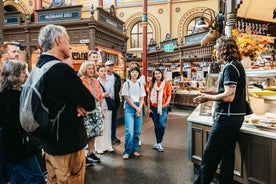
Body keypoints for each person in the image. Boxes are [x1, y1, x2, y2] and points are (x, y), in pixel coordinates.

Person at [36, 24, 95, 183]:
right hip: (67, 143)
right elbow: (89, 102)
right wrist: (79, 103)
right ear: (58, 40)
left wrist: (75, 102)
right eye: (68, 41)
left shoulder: (38, 66)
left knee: (52, 180)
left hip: (48, 142)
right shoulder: (60, 70)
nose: (70, 45)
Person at [193, 37, 246, 184]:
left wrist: (207, 97)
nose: (215, 50)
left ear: (223, 49)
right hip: (235, 118)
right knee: (227, 155)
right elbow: (225, 91)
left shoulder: (230, 67)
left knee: (210, 155)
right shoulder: (236, 65)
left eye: (217, 47)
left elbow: (229, 96)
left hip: (226, 119)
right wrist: (207, 94)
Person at [0, 60, 45, 184]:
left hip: (9, 145)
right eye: (23, 72)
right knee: (37, 178)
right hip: (19, 146)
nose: (26, 74)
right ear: (15, 75)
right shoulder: (14, 96)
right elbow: (18, 123)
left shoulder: (4, 93)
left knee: (17, 176)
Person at [78, 61, 103, 164]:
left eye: (92, 68)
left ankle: (91, 153)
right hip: (85, 109)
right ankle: (83, 157)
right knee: (85, 133)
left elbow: (100, 96)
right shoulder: (80, 81)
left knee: (94, 132)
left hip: (96, 108)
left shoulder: (96, 81)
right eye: (89, 68)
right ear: (84, 69)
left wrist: (101, 109)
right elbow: (78, 97)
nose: (91, 70)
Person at [121, 66, 146, 159]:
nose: (134, 73)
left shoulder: (140, 84)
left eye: (136, 72)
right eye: (132, 72)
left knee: (137, 131)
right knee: (129, 131)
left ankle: (135, 150)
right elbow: (126, 98)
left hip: (138, 107)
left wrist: (139, 108)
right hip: (129, 107)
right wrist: (136, 108)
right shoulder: (126, 84)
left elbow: (142, 98)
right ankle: (127, 151)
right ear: (129, 73)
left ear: (138, 73)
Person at [147, 68, 172, 152]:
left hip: (163, 107)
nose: (158, 75)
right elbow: (148, 96)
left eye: (159, 73)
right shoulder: (151, 84)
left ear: (161, 74)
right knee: (156, 125)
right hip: (153, 107)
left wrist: (167, 103)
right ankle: (158, 143)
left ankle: (158, 142)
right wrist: (148, 107)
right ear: (154, 75)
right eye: (156, 73)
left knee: (162, 125)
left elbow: (169, 95)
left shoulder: (166, 84)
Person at [95, 65, 114, 154]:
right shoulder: (96, 82)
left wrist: (104, 94)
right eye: (101, 71)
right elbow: (97, 95)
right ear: (98, 72)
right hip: (99, 107)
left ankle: (108, 145)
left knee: (107, 127)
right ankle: (99, 147)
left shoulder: (109, 82)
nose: (103, 73)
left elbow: (111, 94)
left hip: (108, 106)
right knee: (100, 127)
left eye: (104, 71)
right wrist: (105, 94)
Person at [105, 60, 122, 145]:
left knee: (113, 120)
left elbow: (118, 88)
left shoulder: (116, 77)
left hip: (114, 101)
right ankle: (106, 137)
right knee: (106, 120)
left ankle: (113, 136)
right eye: (109, 65)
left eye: (112, 65)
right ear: (105, 66)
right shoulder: (103, 76)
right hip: (105, 101)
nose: (110, 67)